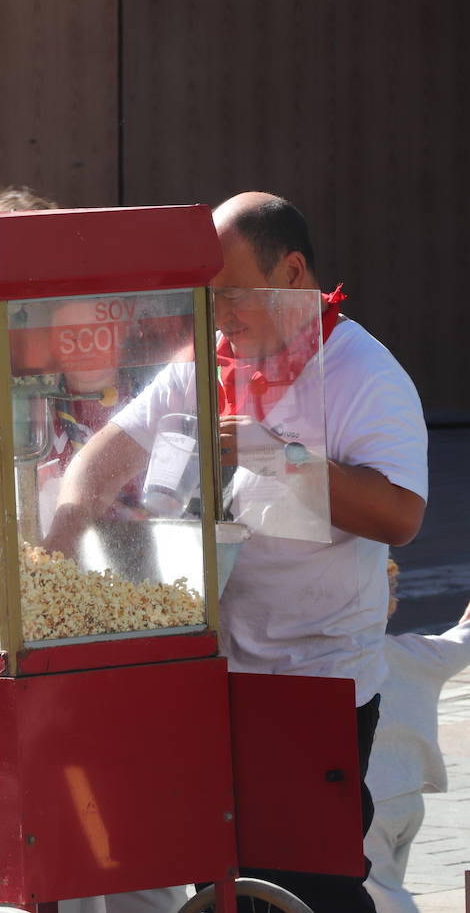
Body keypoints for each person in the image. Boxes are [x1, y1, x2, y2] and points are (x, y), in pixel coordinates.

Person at [46, 192, 428, 912]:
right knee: (221, 876)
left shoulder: (364, 374)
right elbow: (106, 454)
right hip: (216, 668)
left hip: (319, 677)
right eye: (207, 296)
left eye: (233, 295)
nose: (219, 314)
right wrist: (66, 524)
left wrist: (283, 461)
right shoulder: (202, 365)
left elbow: (401, 516)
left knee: (309, 881)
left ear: (292, 273)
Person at [363, 602, 470, 912]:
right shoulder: (415, 653)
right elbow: (460, 642)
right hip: (410, 795)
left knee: (380, 892)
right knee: (386, 885)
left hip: (371, 798)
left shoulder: (337, 661)